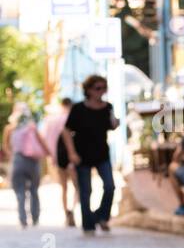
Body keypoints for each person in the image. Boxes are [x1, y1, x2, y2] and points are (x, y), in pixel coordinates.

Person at [62, 75, 120, 235]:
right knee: (86, 190)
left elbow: (111, 124)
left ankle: (101, 216)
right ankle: (88, 224)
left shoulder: (108, 107)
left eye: (104, 88)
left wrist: (115, 123)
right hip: (82, 154)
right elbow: (66, 131)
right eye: (98, 88)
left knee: (110, 186)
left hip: (102, 153)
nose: (101, 91)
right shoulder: (78, 108)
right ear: (89, 90)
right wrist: (71, 153)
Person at [4, 103, 52, 228]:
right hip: (33, 161)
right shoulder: (32, 127)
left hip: (18, 160)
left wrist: (13, 155)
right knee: (34, 190)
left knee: (20, 192)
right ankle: (35, 218)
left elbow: (6, 146)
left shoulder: (10, 128)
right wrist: (50, 154)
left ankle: (23, 219)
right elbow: (42, 142)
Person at [43, 97, 76, 226]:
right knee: (77, 187)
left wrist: (51, 156)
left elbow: (46, 139)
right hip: (72, 155)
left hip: (57, 156)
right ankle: (72, 209)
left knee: (64, 187)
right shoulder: (72, 118)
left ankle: (66, 212)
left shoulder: (51, 120)